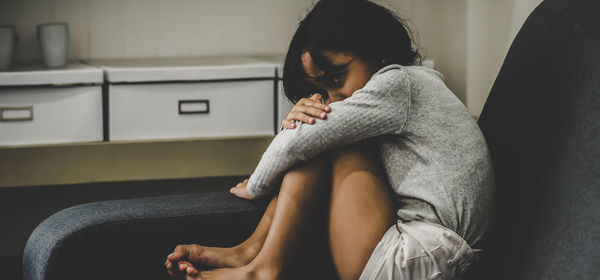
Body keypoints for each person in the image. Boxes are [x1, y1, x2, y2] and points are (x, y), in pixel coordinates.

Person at [165, 0, 494, 279]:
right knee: (325, 134)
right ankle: (250, 252)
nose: (333, 99)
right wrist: (304, 120)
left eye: (337, 79)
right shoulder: (403, 92)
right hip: (423, 253)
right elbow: (309, 138)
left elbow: (304, 142)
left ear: (377, 51)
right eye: (322, 90)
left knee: (326, 138)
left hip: (425, 257)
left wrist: (255, 184)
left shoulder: (400, 84)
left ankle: (263, 268)